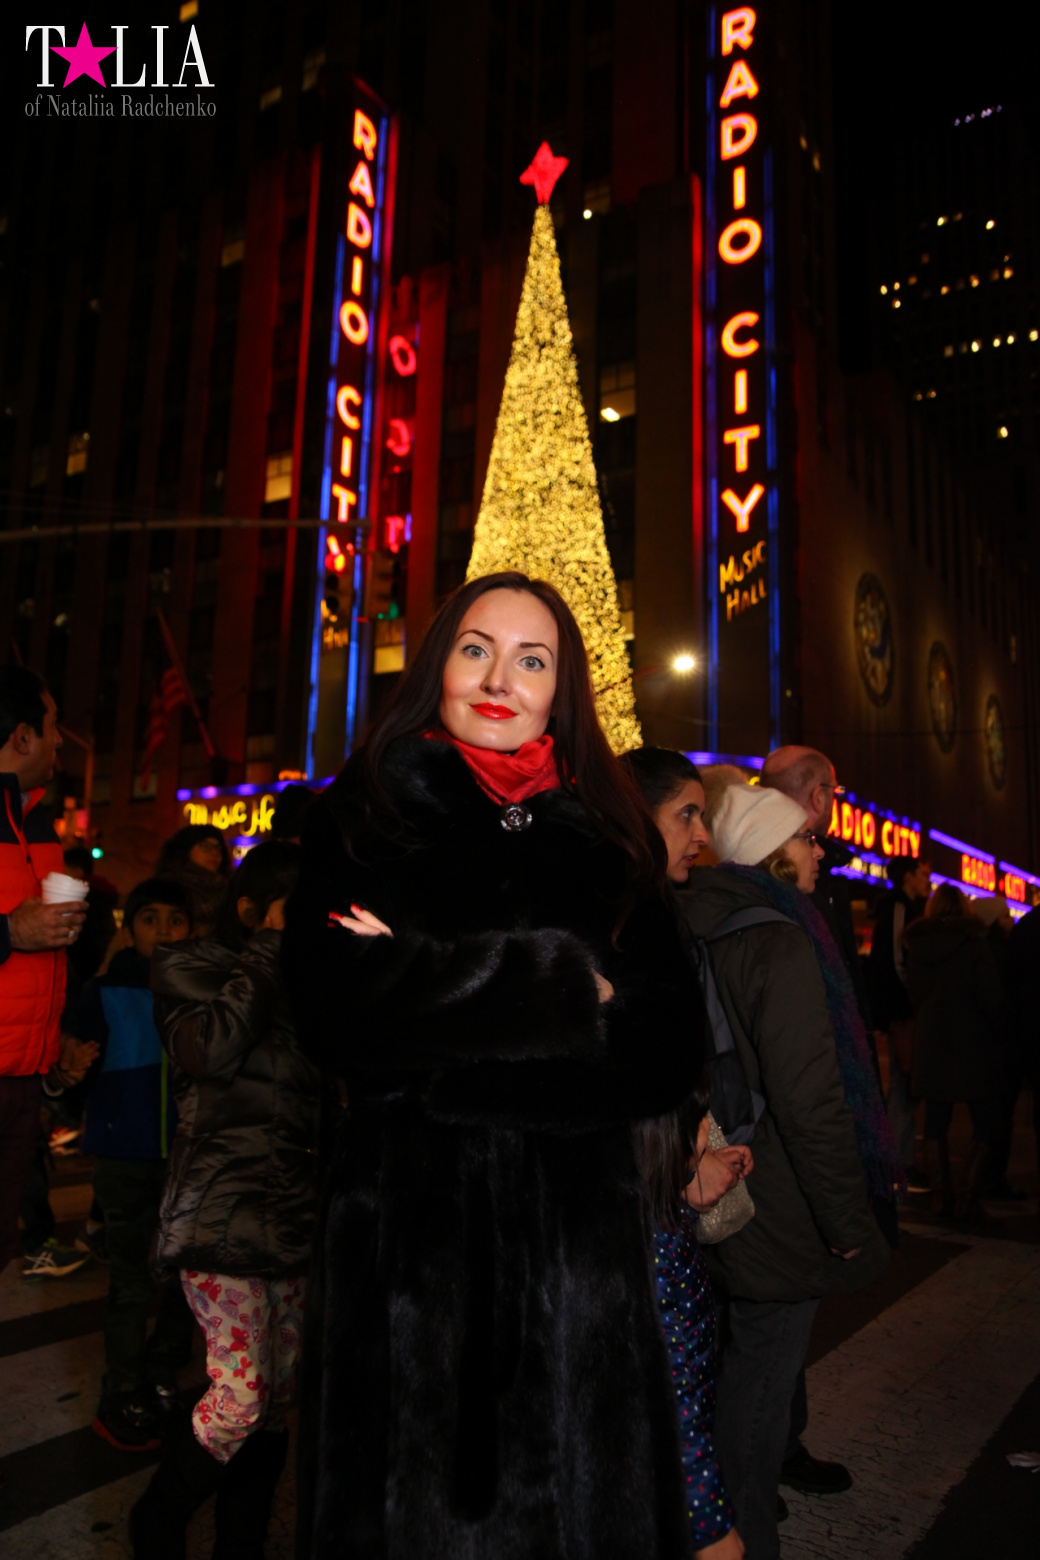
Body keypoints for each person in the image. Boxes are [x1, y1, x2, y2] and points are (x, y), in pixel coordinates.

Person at [282, 572, 707, 1560]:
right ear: (438, 665)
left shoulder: (610, 844)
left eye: (532, 659)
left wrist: (429, 993)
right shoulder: (365, 816)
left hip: (580, 1255)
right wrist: (568, 992)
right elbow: (335, 1017)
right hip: (407, 1248)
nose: (498, 679)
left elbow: (663, 1049)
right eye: (476, 649)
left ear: (562, 689)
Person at [681, 779, 891, 1560]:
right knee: (761, 1388)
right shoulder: (777, 935)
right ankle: (744, 1538)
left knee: (717, 1367)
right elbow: (810, 1099)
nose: (818, 851)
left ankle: (713, 1521)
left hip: (706, 1174)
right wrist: (847, 1223)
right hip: (773, 1190)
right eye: (805, 839)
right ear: (773, 851)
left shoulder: (689, 916)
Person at [131, 840, 319, 1560]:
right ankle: (157, 1523)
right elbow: (210, 1052)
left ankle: (239, 1547)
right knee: (238, 1401)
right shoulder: (189, 968)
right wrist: (270, 949)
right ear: (253, 911)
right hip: (221, 1218)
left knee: (274, 1405)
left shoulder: (303, 986)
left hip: (292, 1218)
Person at [623, 746, 749, 1559]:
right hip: (636, 1239)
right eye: (686, 815)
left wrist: (698, 1143)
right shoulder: (618, 928)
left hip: (662, 1228)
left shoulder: (659, 921)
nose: (703, 835)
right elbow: (608, 1088)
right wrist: (680, 1162)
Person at [71, 876, 198, 1451]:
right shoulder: (105, 991)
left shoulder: (201, 990)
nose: (165, 931)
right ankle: (119, 1390)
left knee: (180, 1278)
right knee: (129, 1281)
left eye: (177, 920)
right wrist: (66, 1079)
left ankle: (161, 1371)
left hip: (190, 1157)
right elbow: (73, 1067)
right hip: (125, 1156)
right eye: (152, 920)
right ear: (130, 928)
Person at [0, 665, 93, 1279]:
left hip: (21, 1073)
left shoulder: (36, 820)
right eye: (54, 726)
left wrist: (54, 1040)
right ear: (24, 736)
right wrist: (9, 930)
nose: (63, 740)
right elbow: (22, 932)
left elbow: (44, 953)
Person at [905, 883, 1003, 1221]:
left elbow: (915, 992)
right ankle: (968, 1197)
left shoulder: (917, 945)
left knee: (935, 1118)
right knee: (986, 1119)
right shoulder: (975, 944)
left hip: (933, 1038)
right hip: (972, 1038)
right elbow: (989, 995)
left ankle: (940, 1195)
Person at [867, 854, 933, 1189]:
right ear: (908, 876)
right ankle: (896, 1160)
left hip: (901, 1008)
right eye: (922, 874)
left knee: (905, 1084)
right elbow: (896, 958)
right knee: (904, 1084)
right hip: (901, 1010)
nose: (927, 880)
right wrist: (909, 997)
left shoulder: (905, 906)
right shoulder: (898, 906)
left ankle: (898, 1159)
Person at [972, 895, 1022, 1199]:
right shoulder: (995, 955)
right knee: (996, 1117)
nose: (1010, 920)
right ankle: (987, 1181)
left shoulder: (994, 951)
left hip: (992, 1046)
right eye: (1004, 915)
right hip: (997, 1047)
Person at [157, 823, 231, 938]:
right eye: (205, 847)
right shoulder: (168, 887)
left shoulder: (229, 887)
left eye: (218, 848)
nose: (214, 853)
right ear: (185, 851)